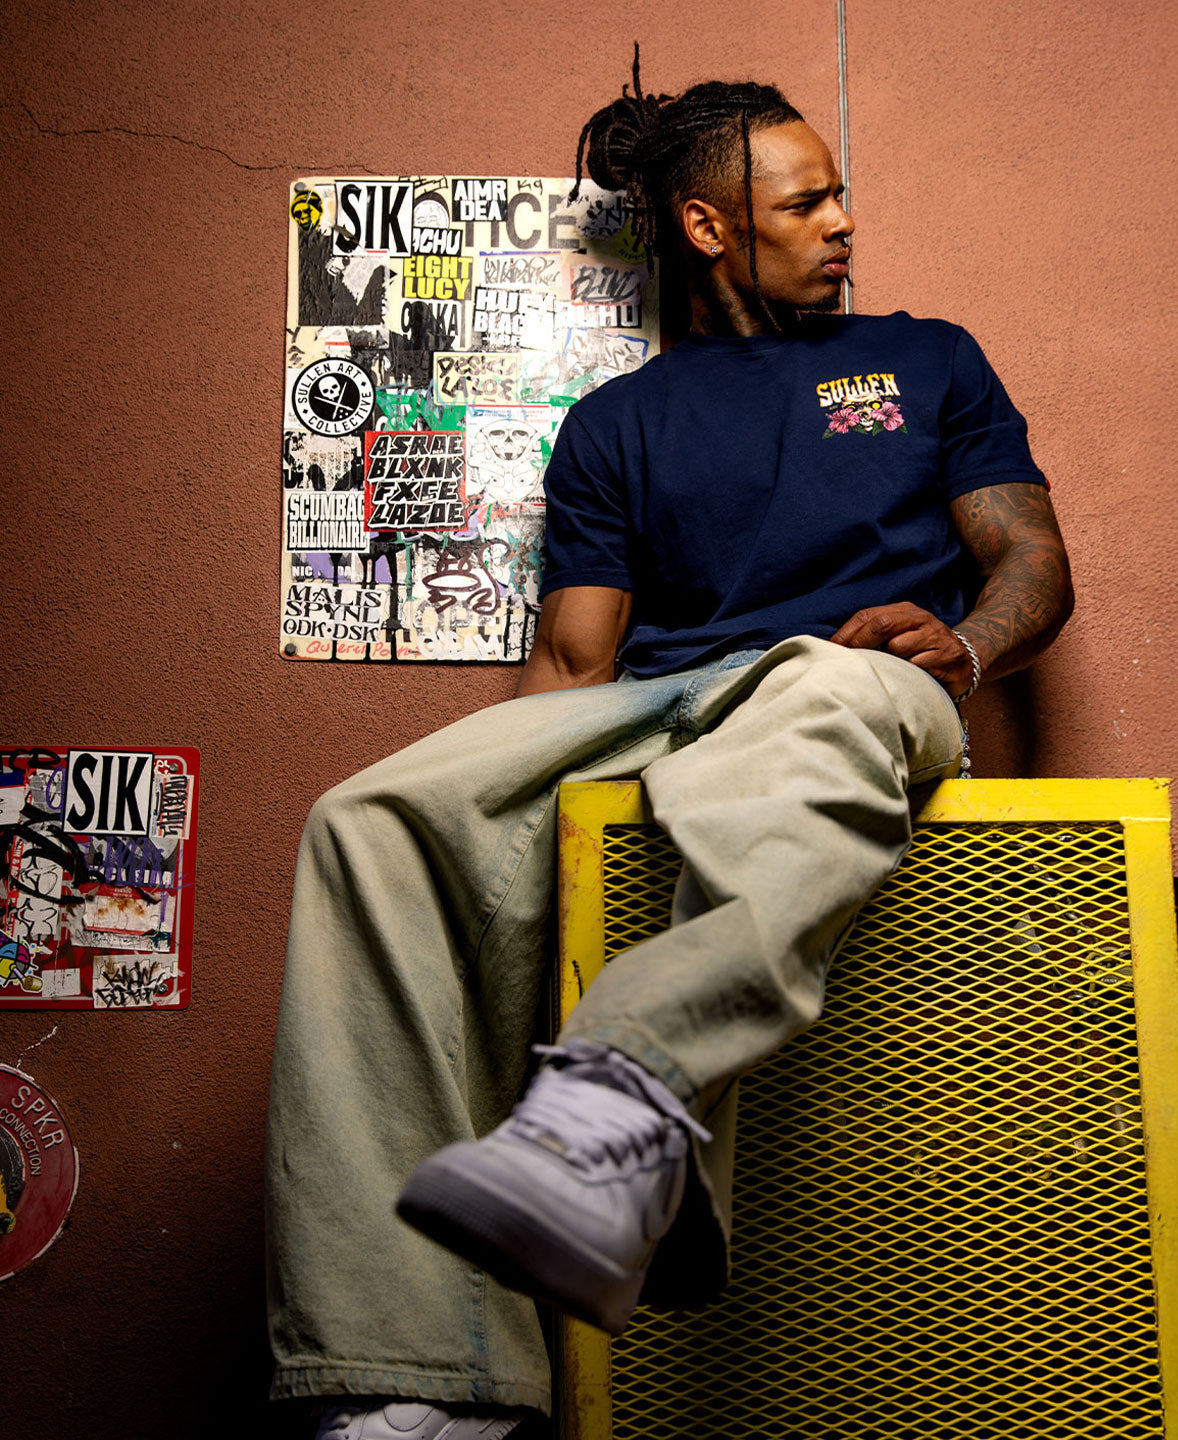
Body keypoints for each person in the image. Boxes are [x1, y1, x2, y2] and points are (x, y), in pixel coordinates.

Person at [266, 55, 1074, 1440]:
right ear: (709, 226)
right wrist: (503, 837)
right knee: (372, 815)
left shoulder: (927, 360)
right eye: (809, 201)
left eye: (843, 198)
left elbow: (1030, 560)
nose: (843, 224)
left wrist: (974, 647)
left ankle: (621, 1097)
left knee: (818, 689)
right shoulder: (615, 426)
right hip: (672, 704)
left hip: (862, 680)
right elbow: (574, 668)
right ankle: (419, 1372)